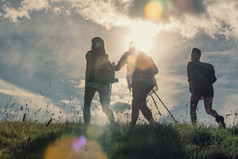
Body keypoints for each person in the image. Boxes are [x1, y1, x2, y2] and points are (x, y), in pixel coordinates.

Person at [114, 42, 158, 127]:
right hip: (149, 82)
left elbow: (118, 67)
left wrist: (110, 67)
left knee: (139, 103)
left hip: (138, 81)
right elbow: (155, 71)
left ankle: (153, 123)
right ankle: (133, 125)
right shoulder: (145, 55)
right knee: (135, 102)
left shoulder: (128, 54)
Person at [187, 48, 225, 128]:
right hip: (209, 90)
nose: (191, 56)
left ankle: (194, 128)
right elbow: (213, 79)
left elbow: (191, 78)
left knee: (193, 110)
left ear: (196, 55)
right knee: (209, 110)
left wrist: (192, 89)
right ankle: (219, 118)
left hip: (197, 89)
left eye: (192, 54)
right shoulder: (209, 67)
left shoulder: (191, 64)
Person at [84, 37, 115, 126]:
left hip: (91, 82)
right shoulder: (105, 57)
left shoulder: (90, 54)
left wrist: (87, 81)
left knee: (87, 105)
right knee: (105, 107)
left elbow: (89, 68)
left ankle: (87, 126)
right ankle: (113, 123)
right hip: (104, 83)